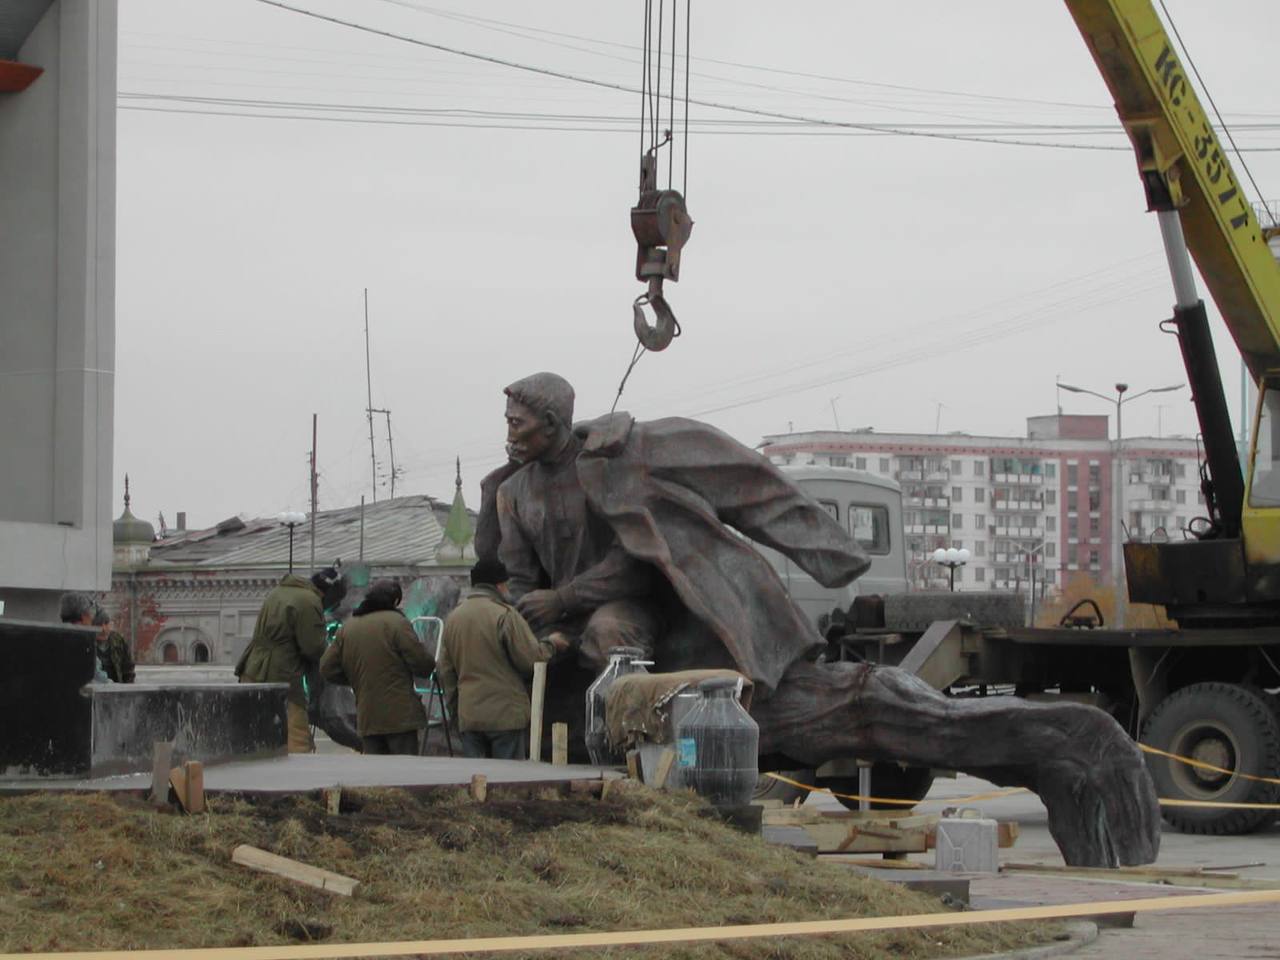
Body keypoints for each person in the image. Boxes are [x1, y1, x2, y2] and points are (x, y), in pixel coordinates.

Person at [476, 371, 1161, 868]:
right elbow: (517, 574)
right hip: (565, 629)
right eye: (506, 422)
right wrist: (537, 615)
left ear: (555, 422)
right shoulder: (511, 495)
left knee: (613, 642)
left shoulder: (618, 460)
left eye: (518, 421)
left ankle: (1071, 746)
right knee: (561, 658)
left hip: (654, 616)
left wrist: (827, 549)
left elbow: (697, 511)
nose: (508, 433)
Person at [437, 558, 569, 760]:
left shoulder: (454, 618)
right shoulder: (505, 615)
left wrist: (456, 713)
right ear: (499, 585)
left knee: (475, 781)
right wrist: (551, 644)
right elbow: (530, 661)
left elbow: (446, 673)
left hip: (469, 716)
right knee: (507, 784)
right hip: (505, 717)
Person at [319, 579, 435, 756]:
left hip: (368, 717)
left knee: (377, 776)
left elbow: (327, 668)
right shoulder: (397, 623)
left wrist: (354, 678)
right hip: (400, 716)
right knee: (405, 774)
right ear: (395, 601)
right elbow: (423, 665)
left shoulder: (348, 627)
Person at [237, 566, 344, 754]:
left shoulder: (279, 591)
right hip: (281, 674)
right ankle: (299, 781)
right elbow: (313, 647)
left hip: (252, 669)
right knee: (297, 739)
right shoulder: (309, 600)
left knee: (259, 736)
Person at [91, 606, 135, 684]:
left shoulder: (117, 639)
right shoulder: (87, 642)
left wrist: (127, 687)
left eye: (106, 623)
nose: (103, 629)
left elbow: (128, 667)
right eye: (99, 625)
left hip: (116, 688)